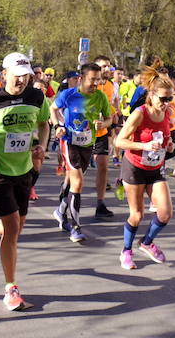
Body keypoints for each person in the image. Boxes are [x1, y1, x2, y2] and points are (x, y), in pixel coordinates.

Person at [0, 52, 51, 311]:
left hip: (24, 168)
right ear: (4, 75)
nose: (22, 81)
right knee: (13, 228)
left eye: (26, 76)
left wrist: (42, 145)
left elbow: (44, 124)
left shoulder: (37, 97)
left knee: (16, 227)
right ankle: (10, 289)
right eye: (17, 76)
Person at [113, 64, 175, 269]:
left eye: (170, 98)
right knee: (137, 215)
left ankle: (147, 242)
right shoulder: (140, 114)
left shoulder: (167, 113)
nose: (166, 103)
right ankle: (126, 250)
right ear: (151, 94)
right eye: (163, 99)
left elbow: (166, 137)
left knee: (165, 213)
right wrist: (144, 146)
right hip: (135, 167)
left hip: (155, 167)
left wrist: (169, 144)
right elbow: (119, 141)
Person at [50, 62, 112, 242]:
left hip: (87, 144)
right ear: (82, 78)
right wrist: (58, 126)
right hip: (69, 142)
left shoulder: (100, 97)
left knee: (71, 180)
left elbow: (109, 118)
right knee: (78, 182)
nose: (96, 83)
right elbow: (53, 109)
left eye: (98, 80)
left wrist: (103, 124)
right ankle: (75, 228)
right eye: (92, 79)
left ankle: (60, 211)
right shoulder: (69, 95)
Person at [92, 54, 119, 219]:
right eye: (103, 66)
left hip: (102, 131)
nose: (107, 69)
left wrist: (114, 115)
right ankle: (66, 200)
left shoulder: (111, 85)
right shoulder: (87, 85)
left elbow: (112, 103)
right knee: (75, 175)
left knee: (103, 166)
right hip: (83, 132)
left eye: (108, 65)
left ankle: (100, 204)